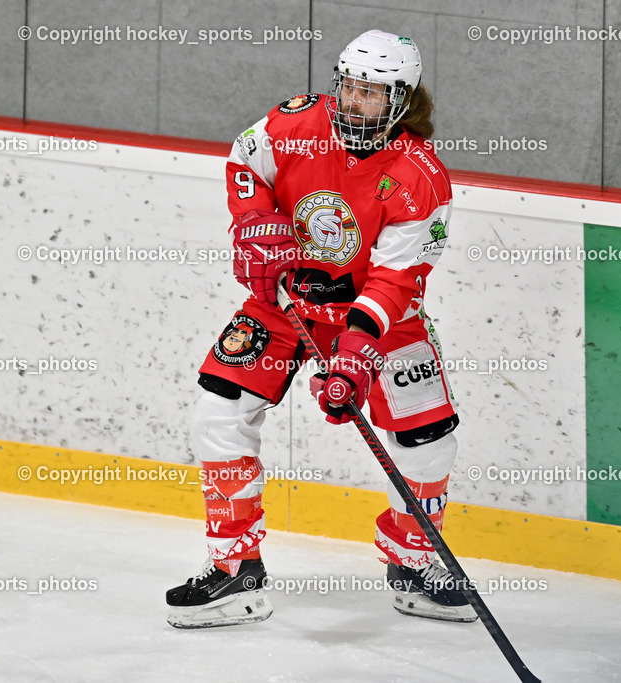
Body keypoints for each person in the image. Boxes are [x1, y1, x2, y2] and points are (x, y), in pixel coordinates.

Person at [166, 29, 476, 628]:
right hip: (285, 304)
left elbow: (395, 280)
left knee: (429, 441)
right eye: (350, 87)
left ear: (403, 101)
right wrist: (255, 224)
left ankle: (415, 563)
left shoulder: (420, 177)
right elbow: (244, 161)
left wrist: (356, 354)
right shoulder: (295, 124)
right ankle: (235, 571)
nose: (355, 101)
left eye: (372, 93)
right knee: (217, 416)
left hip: (380, 322)